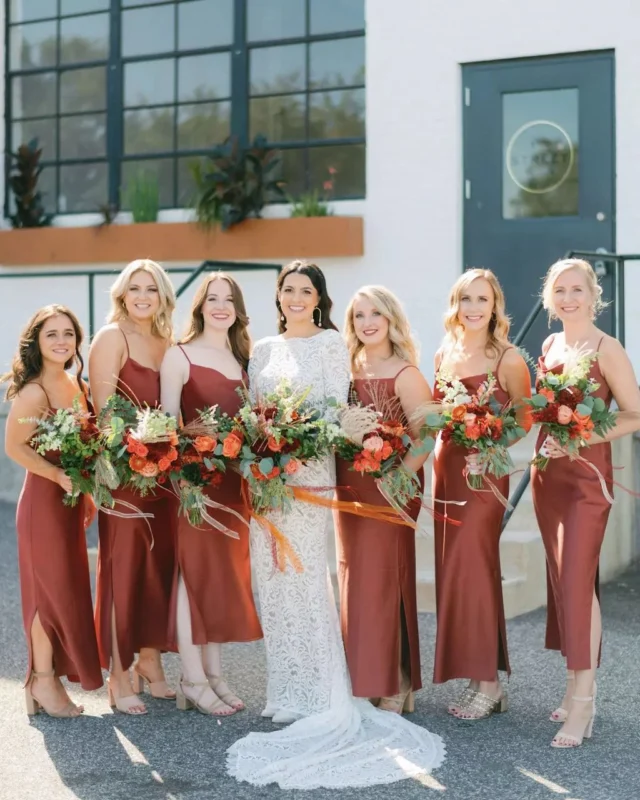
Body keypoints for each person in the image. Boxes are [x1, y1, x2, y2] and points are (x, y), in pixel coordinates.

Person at [227, 261, 445, 791]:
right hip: (267, 477)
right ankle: (287, 690)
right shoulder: (260, 350)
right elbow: (255, 413)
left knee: (306, 579)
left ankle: (322, 692)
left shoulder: (330, 346)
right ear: (277, 296)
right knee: (272, 582)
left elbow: (332, 411)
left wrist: (300, 446)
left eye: (307, 290)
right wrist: (257, 457)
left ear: (320, 299)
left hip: (314, 473)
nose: (296, 297)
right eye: (288, 290)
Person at [531, 258, 640, 748]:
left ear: (594, 295)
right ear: (549, 298)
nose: (569, 297)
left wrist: (583, 434)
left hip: (587, 480)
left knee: (577, 583)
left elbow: (635, 414)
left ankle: (584, 705)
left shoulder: (606, 347)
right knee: (566, 584)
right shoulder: (550, 344)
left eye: (578, 289)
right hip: (547, 477)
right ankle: (575, 681)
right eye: (560, 290)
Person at [161, 273, 262, 717]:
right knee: (192, 577)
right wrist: (184, 481)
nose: (220, 306)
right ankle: (192, 677)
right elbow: (166, 428)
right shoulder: (178, 356)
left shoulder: (245, 360)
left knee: (222, 577)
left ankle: (215, 674)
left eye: (229, 300)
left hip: (234, 484)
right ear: (200, 306)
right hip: (194, 484)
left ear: (238, 309)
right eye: (212, 299)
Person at [432, 268, 531, 720]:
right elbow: (435, 414)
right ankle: (478, 677)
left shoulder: (507, 357)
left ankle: (488, 685)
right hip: (448, 470)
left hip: (483, 475)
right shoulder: (444, 352)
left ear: (496, 307)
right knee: (456, 571)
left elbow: (525, 419)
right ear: (456, 304)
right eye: (466, 299)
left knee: (476, 568)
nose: (474, 308)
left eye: (483, 300)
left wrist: (491, 449)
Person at [335, 285, 432, 711]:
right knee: (356, 580)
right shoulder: (343, 369)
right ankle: (364, 676)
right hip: (350, 485)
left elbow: (427, 435)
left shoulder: (405, 372)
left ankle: (397, 679)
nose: (368, 322)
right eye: (359, 315)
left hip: (393, 484)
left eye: (376, 313)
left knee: (385, 578)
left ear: (391, 319)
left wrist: (400, 477)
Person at [4, 305, 102, 716]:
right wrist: (56, 475)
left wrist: (87, 492)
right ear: (37, 343)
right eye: (52, 335)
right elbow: (14, 447)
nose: (62, 341)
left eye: (68, 334)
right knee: (47, 594)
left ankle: (46, 680)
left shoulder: (75, 384)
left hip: (69, 502)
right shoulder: (33, 391)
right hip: (42, 507)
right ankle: (42, 682)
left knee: (68, 592)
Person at [90, 259, 176, 714]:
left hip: (165, 476)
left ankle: (150, 661)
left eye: (153, 289)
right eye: (135, 288)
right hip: (124, 475)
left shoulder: (167, 341)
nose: (143, 296)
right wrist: (135, 451)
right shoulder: (111, 337)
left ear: (163, 296)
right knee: (123, 568)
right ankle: (117, 673)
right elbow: (104, 413)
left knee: (158, 566)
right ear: (122, 293)